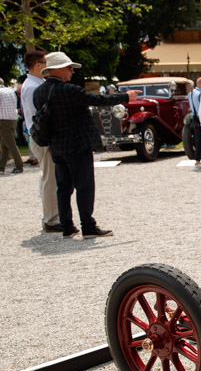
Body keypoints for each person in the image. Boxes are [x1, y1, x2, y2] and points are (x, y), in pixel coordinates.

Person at [34, 51, 138, 238]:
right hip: (77, 143)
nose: (72, 72)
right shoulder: (69, 90)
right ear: (58, 69)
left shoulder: (39, 92)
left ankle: (66, 226)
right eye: (69, 68)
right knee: (84, 185)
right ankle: (88, 226)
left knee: (63, 187)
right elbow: (98, 101)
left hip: (56, 145)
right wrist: (125, 97)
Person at [21, 50, 60, 232]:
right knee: (49, 178)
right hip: (41, 137)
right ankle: (51, 219)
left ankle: (53, 216)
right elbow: (38, 116)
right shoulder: (32, 87)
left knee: (50, 177)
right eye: (46, 62)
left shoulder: (37, 83)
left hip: (41, 136)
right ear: (38, 65)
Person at [0, 78, 23, 174]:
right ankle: (1, 167)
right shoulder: (10, 92)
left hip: (3, 120)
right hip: (13, 119)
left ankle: (19, 166)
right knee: (5, 145)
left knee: (11, 144)